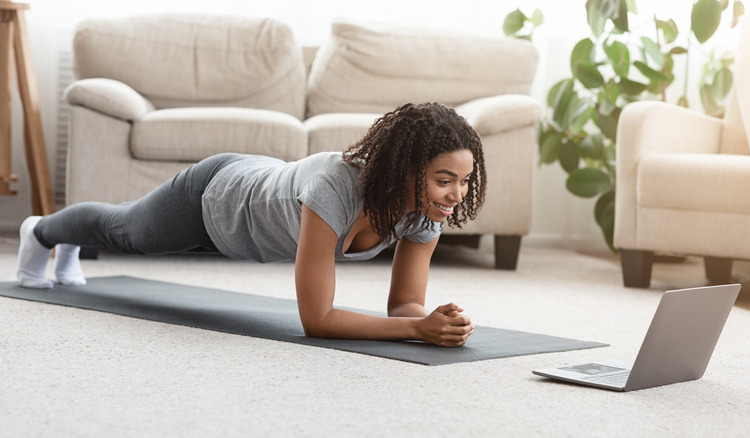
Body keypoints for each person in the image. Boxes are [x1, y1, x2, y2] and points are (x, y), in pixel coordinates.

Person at [15, 102, 486, 347]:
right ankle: (41, 232)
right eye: (445, 180)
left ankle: (61, 240)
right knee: (126, 232)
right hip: (215, 198)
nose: (456, 196)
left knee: (125, 232)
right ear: (404, 169)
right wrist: (413, 330)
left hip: (253, 227)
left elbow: (405, 304)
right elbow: (317, 321)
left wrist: (432, 322)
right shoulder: (335, 187)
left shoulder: (426, 211)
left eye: (465, 182)